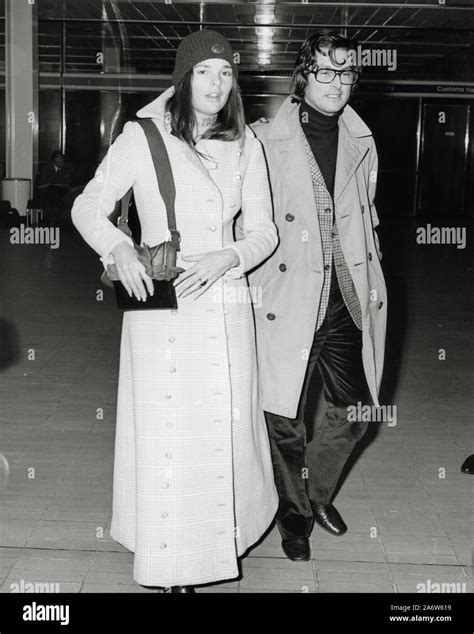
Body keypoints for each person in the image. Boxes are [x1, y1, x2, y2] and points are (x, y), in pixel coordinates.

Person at [71, 30, 278, 592]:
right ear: (184, 78)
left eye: (227, 74)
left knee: (222, 426)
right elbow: (88, 204)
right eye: (205, 72)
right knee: (168, 429)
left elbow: (264, 232)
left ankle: (221, 538)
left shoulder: (246, 144)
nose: (216, 84)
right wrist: (115, 247)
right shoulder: (142, 137)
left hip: (226, 299)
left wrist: (230, 255)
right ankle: (169, 559)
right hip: (161, 305)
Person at [248, 31, 387, 561]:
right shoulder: (262, 141)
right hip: (288, 296)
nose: (337, 82)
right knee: (283, 415)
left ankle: (311, 491)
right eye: (326, 71)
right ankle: (295, 516)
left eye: (346, 72)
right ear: (303, 76)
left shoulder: (362, 140)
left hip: (345, 298)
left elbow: (365, 220)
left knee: (357, 412)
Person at [39, 151, 73, 226]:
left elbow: (67, 183)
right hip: (48, 192)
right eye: (60, 161)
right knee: (51, 191)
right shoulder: (46, 169)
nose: (62, 163)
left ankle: (53, 219)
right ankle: (51, 219)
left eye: (62, 161)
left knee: (57, 194)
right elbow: (43, 184)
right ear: (54, 161)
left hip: (62, 191)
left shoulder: (66, 169)